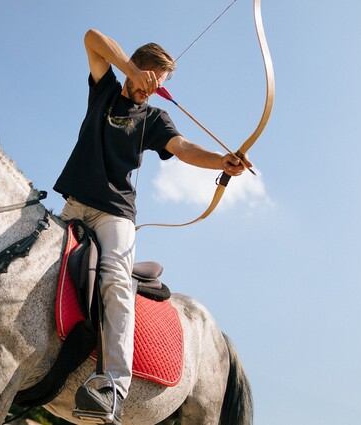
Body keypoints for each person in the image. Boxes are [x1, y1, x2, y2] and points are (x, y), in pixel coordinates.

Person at [55, 29, 252, 423]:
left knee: (114, 281)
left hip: (115, 215)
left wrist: (221, 162)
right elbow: (92, 37)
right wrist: (129, 68)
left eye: (159, 84)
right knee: (39, 269)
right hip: (74, 205)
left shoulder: (155, 118)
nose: (152, 88)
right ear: (137, 68)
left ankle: (112, 387)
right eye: (150, 78)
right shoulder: (106, 89)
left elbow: (183, 148)